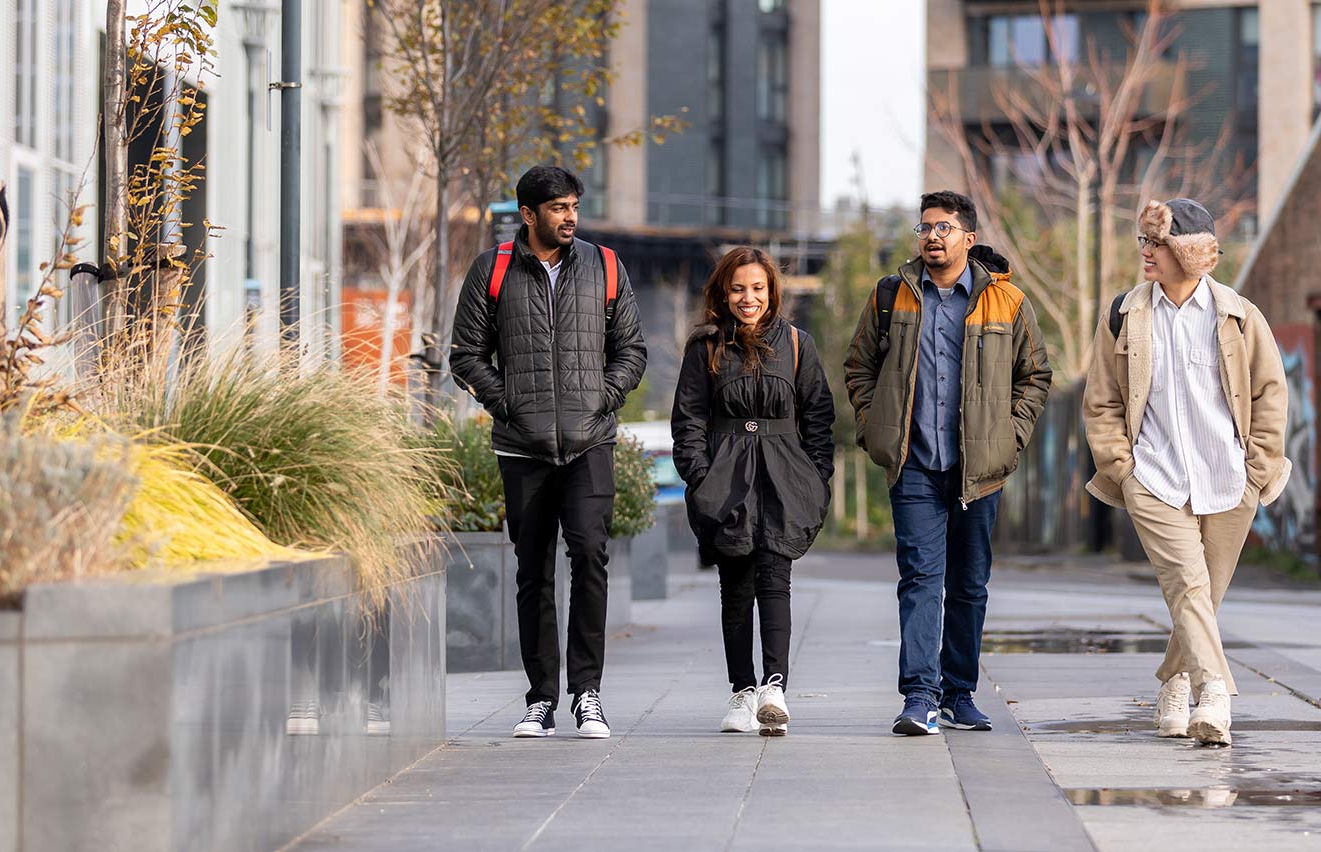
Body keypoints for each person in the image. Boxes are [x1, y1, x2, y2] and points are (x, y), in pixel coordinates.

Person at [449, 165, 647, 739]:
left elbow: (630, 349)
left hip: (590, 443)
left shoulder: (605, 266)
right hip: (522, 446)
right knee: (532, 571)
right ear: (528, 215)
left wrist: (602, 399)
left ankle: (588, 695)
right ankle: (540, 698)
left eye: (574, 206)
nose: (569, 217)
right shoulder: (492, 269)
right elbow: (466, 354)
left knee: (589, 556)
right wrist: (506, 403)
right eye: (557, 208)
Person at [1082, 199, 1290, 747]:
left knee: (1201, 596)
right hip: (1154, 478)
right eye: (1144, 242)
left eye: (1158, 243)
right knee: (1189, 585)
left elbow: (1271, 393)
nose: (1145, 253)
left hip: (1230, 480)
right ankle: (1215, 695)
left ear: (1190, 252)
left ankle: (1173, 683)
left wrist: (1258, 467)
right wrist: (1123, 470)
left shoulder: (1240, 316)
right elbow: (1100, 401)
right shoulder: (1124, 315)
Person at [844, 190, 1051, 736]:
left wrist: (1010, 439)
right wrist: (876, 428)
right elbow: (859, 365)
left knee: (969, 584)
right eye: (925, 227)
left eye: (943, 227)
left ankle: (959, 693)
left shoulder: (1006, 301)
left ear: (969, 237)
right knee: (920, 579)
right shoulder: (893, 295)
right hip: (913, 464)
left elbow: (1035, 376)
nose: (932, 236)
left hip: (980, 471)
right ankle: (918, 697)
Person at [671, 247, 835, 736]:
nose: (749, 298)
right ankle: (742, 692)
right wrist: (700, 476)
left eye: (758, 288)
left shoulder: (799, 345)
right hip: (726, 476)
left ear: (772, 292)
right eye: (739, 288)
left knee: (774, 579)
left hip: (784, 475)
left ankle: (774, 687)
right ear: (724, 292)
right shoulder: (706, 348)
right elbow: (689, 420)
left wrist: (816, 477)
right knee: (736, 587)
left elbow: (819, 418)